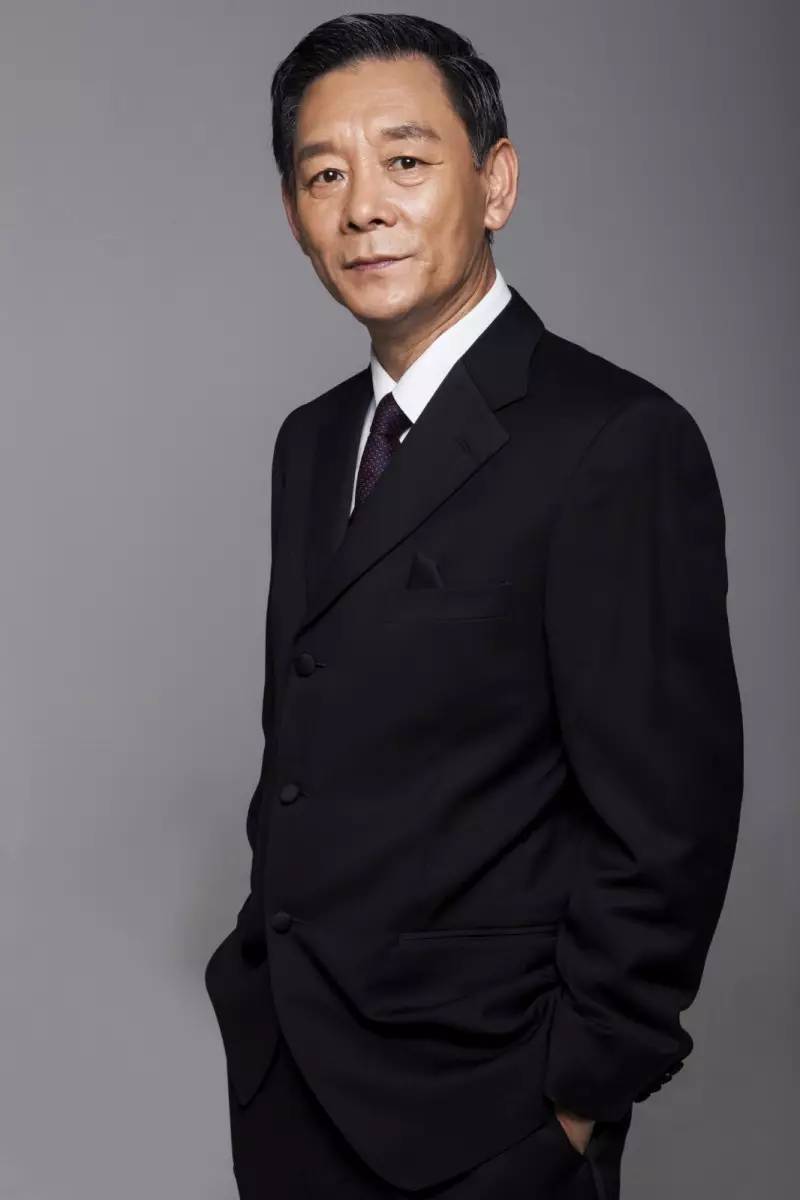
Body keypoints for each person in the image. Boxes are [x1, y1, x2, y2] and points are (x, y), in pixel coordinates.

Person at [204, 13, 744, 1199]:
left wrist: (573, 1101)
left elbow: (669, 818)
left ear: (493, 183)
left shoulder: (612, 438)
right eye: (323, 175)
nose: (363, 207)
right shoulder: (312, 442)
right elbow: (304, 743)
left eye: (405, 160)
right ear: (292, 211)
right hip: (292, 1083)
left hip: (483, 1112)